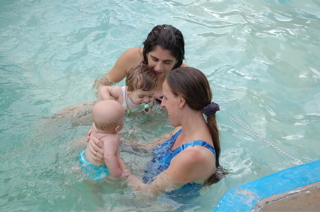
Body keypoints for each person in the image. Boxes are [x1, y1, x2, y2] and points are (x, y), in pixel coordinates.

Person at [89, 67, 227, 202]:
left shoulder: (192, 156)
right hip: (147, 179)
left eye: (165, 98)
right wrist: (106, 139)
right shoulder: (182, 129)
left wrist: (113, 158)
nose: (162, 105)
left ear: (181, 101)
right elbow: (148, 147)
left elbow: (146, 194)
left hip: (162, 205)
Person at [96, 24, 186, 102]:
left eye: (167, 62)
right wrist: (108, 103)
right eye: (154, 59)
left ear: (177, 61)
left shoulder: (184, 78)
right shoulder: (132, 57)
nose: (158, 68)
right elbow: (102, 83)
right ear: (146, 53)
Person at [79, 100, 126, 181]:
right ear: (117, 128)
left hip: (84, 157)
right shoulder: (111, 139)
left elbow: (90, 132)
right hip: (96, 169)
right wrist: (118, 174)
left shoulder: (95, 125)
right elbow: (108, 157)